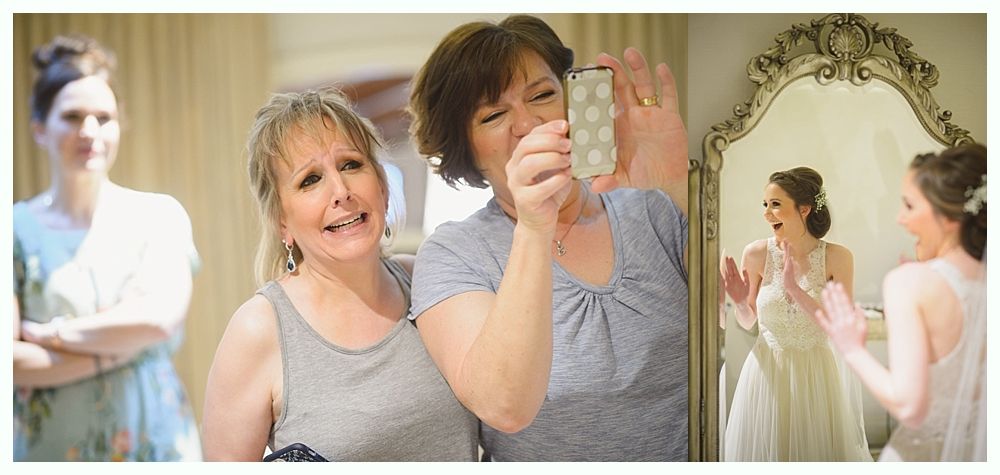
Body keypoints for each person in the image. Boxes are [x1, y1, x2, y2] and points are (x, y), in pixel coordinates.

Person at [407, 15, 689, 461]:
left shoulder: (652, 210)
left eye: (542, 95)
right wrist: (535, 225)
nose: (528, 124)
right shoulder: (453, 255)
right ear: (466, 150)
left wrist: (679, 185)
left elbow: (755, 311)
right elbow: (505, 405)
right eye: (494, 115)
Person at [200, 86, 479, 461]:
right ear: (282, 222)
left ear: (381, 185)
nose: (340, 191)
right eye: (309, 180)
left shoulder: (427, 282)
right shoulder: (258, 330)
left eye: (350, 164)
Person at [12, 34, 202, 461]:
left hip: (156, 447)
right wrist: (118, 346)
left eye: (104, 117)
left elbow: (157, 320)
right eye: (73, 116)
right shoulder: (14, 231)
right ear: (39, 129)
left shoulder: (159, 216)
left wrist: (55, 335)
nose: (89, 131)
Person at [816, 144, 987, 461]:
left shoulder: (908, 283)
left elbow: (910, 408)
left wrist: (852, 348)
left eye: (909, 205)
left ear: (949, 216)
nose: (899, 219)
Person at [720, 167, 871, 461]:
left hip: (814, 374)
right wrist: (739, 302)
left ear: (805, 208)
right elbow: (749, 321)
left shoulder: (838, 257)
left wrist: (794, 288)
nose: (767, 214)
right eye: (765, 204)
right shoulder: (755, 253)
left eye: (776, 204)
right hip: (766, 372)